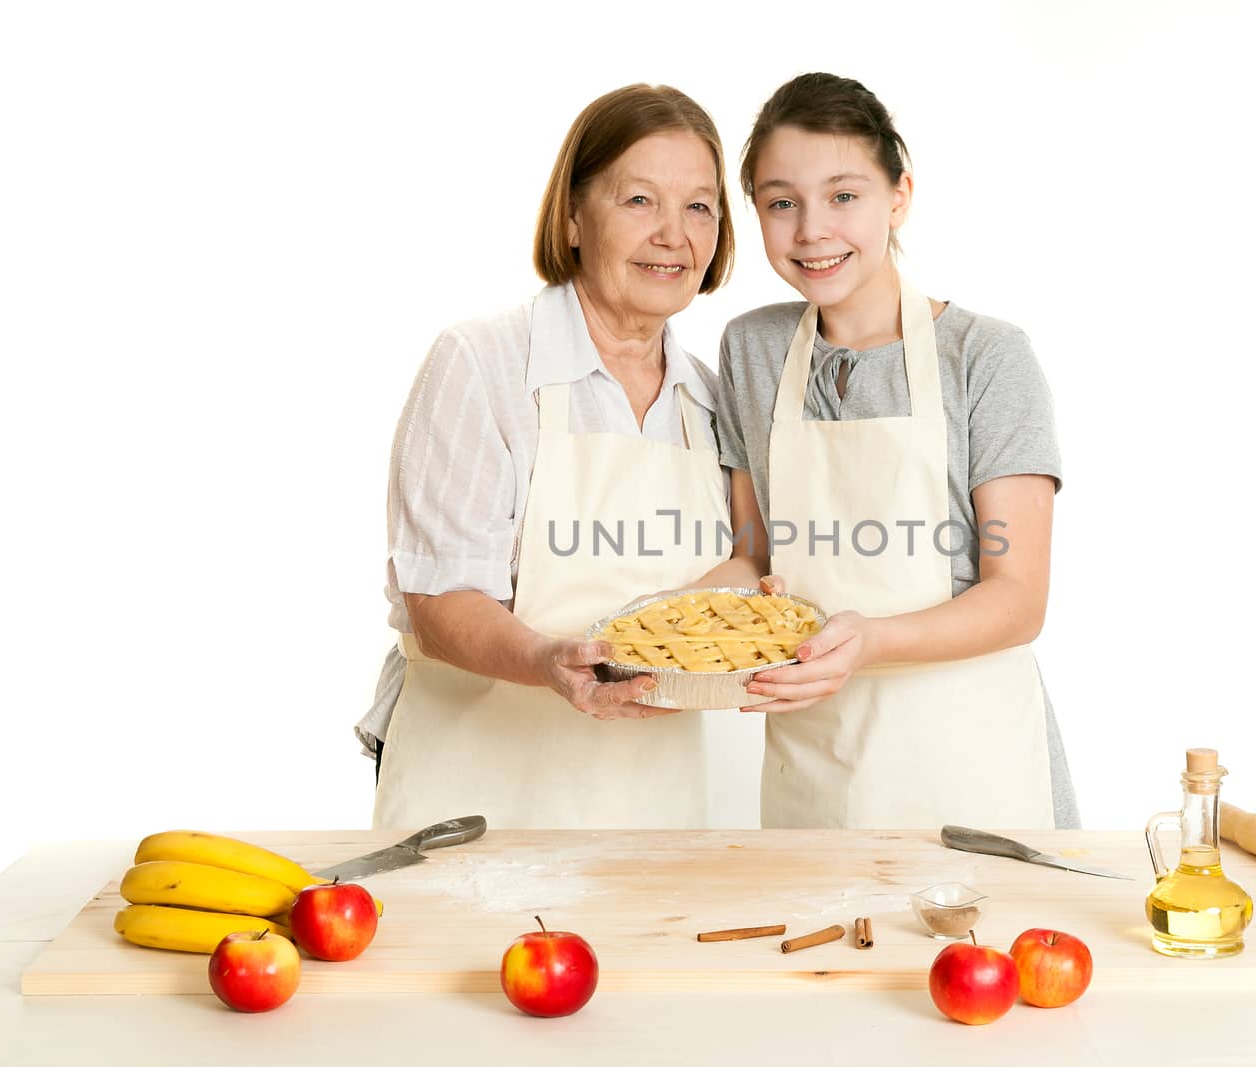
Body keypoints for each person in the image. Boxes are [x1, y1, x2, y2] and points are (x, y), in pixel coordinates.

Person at [697, 72, 1079, 829]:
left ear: (899, 194)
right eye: (781, 202)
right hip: (818, 765)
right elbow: (756, 556)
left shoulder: (987, 356)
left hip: (971, 764)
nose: (811, 229)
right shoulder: (754, 349)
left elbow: (1018, 597)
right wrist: (657, 630)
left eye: (844, 195)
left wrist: (869, 640)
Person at [358, 84, 735, 829]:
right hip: (482, 797)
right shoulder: (483, 364)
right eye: (638, 201)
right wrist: (544, 663)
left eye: (700, 206)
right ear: (570, 216)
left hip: (660, 802)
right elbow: (439, 603)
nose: (674, 234)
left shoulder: (712, 401)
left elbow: (733, 581)